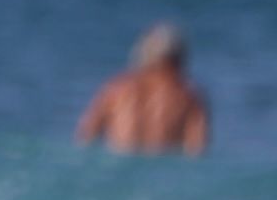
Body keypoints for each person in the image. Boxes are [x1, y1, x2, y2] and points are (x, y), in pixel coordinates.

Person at [77, 24, 211, 156]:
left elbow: (85, 138)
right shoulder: (190, 97)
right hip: (162, 173)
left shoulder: (115, 90)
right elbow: (197, 151)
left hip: (117, 170)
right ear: (180, 59)